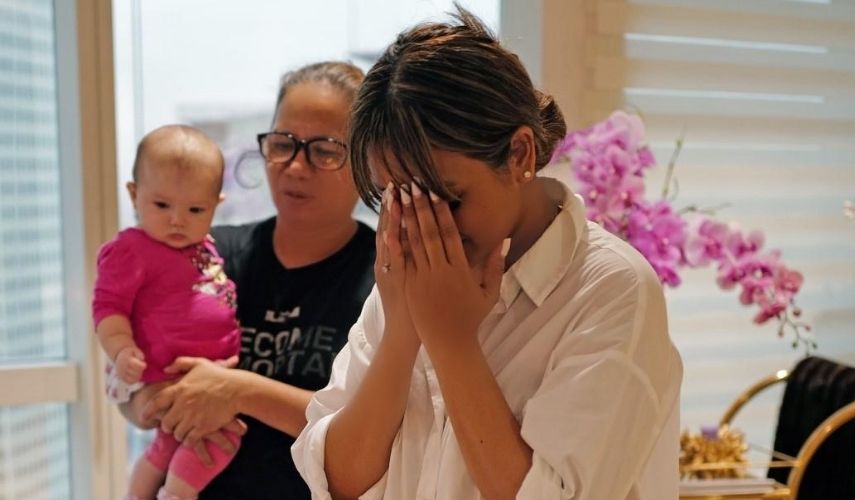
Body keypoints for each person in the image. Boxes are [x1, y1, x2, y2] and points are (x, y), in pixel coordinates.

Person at [293, 8, 683, 500]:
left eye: (448, 199)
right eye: (399, 201)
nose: (424, 229)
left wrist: (451, 341)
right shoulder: (409, 270)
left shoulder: (610, 288)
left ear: (519, 154)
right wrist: (403, 332)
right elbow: (336, 481)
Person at [122, 62, 375, 500]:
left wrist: (239, 391)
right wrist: (143, 401)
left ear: (367, 163)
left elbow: (370, 432)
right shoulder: (204, 254)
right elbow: (133, 370)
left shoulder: (382, 279)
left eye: (325, 150)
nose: (296, 167)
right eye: (283, 144)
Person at [93, 124, 242, 500]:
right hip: (164, 373)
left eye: (195, 209)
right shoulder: (132, 249)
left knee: (167, 445)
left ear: (215, 207)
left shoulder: (205, 246)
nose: (178, 219)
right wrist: (121, 349)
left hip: (200, 377)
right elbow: (108, 306)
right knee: (220, 438)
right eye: (162, 206)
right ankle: (176, 494)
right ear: (134, 194)